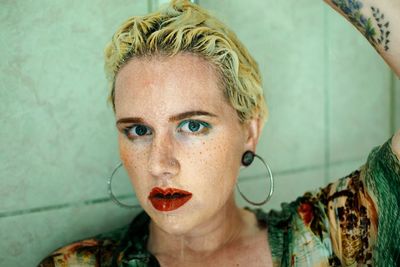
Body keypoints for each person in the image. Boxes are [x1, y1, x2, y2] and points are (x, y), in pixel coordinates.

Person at [38, 0, 400, 266]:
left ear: (250, 132)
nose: (160, 164)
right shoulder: (74, 265)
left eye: (193, 125)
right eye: (138, 130)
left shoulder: (329, 240)